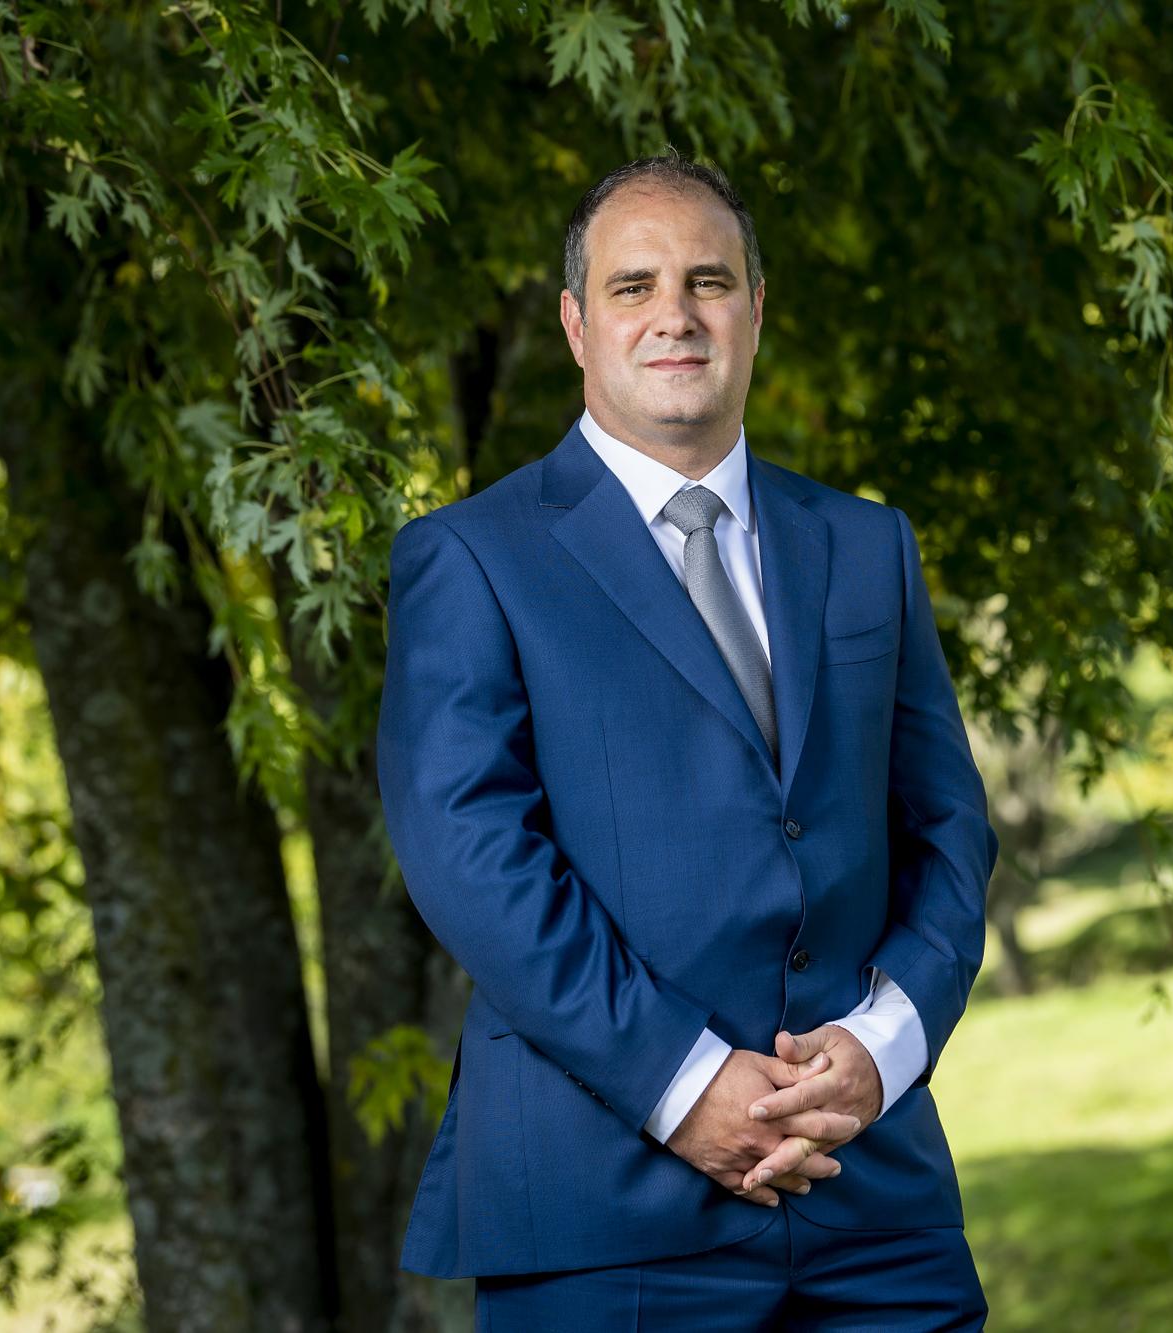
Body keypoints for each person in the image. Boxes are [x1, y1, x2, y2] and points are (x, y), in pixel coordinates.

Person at [374, 148, 999, 1330]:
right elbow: (471, 858)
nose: (675, 314)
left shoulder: (866, 547)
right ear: (573, 323)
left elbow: (949, 831)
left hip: (871, 1196)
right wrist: (684, 1082)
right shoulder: (472, 557)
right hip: (607, 1214)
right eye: (632, 286)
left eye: (709, 282)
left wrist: (882, 1045)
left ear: (755, 311)